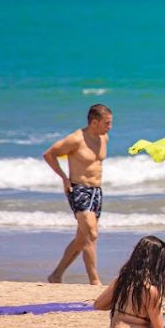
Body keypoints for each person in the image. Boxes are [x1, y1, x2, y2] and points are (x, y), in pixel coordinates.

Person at [44, 104, 112, 284]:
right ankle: (95, 281)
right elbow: (49, 154)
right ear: (94, 122)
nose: (110, 127)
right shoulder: (76, 139)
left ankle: (56, 275)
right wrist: (64, 179)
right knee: (91, 234)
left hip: (96, 191)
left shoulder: (104, 137)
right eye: (107, 123)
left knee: (82, 238)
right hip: (79, 189)